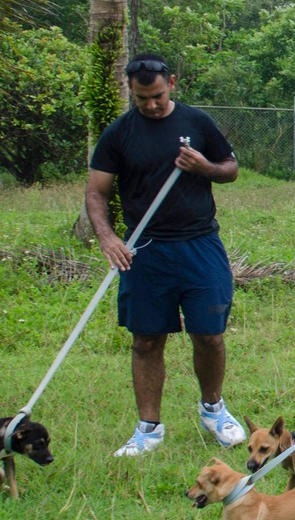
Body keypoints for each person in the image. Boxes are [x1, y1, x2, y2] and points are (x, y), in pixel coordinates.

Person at [85, 53, 246, 457]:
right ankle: (148, 429)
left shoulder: (196, 122)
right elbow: (96, 193)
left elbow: (231, 168)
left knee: (209, 334)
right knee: (146, 340)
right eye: (142, 99)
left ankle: (213, 409)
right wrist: (107, 238)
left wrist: (203, 166)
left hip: (200, 244)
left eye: (157, 95)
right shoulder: (119, 134)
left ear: (171, 83)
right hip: (144, 249)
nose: (151, 105)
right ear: (131, 92)